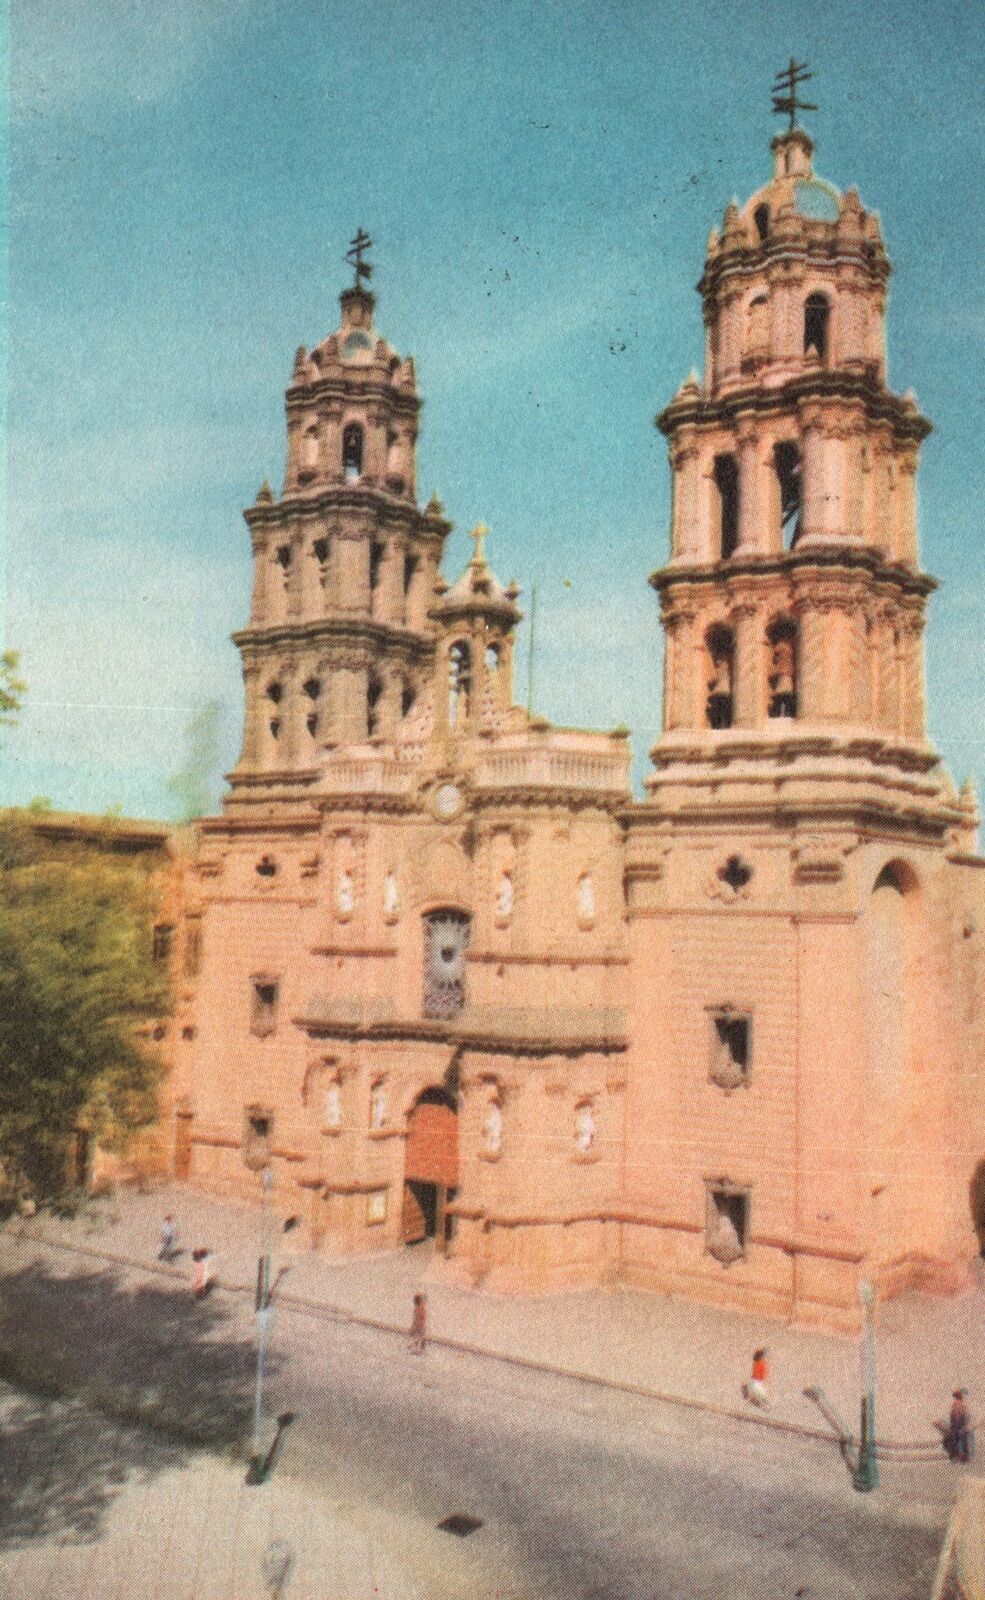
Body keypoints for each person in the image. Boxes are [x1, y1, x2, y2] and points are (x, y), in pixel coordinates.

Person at [945, 1389, 973, 1463]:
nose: (954, 1400)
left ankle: (962, 1457)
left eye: (955, 1398)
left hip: (959, 1425)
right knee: (957, 1440)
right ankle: (958, 1457)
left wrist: (964, 1425)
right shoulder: (956, 1405)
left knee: (961, 1440)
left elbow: (965, 1416)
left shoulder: (961, 1405)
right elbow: (953, 1417)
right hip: (956, 1425)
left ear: (957, 1398)